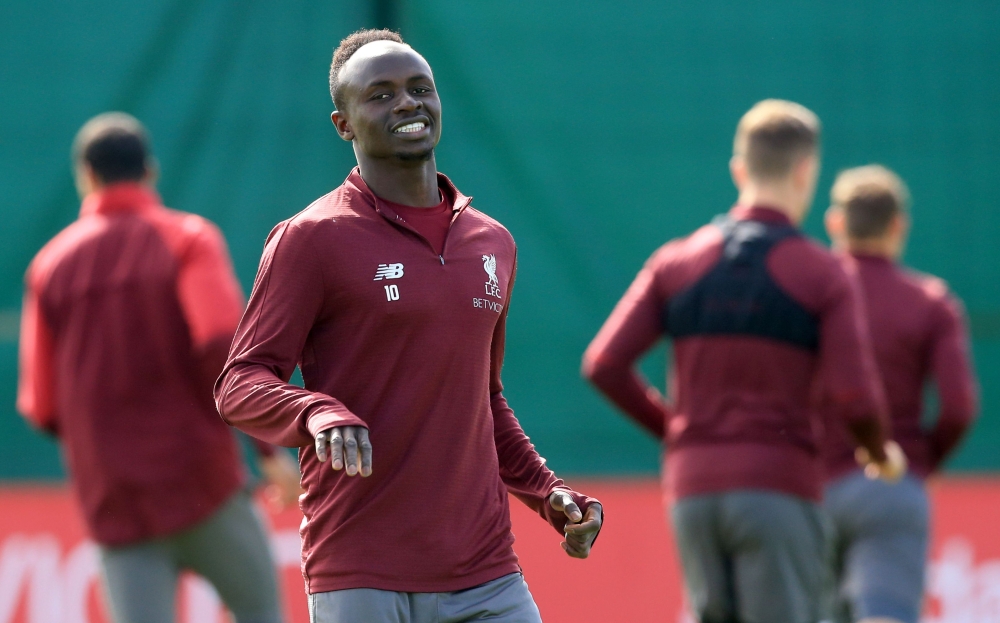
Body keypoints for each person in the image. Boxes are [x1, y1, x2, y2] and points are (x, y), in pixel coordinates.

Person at [213, 29, 603, 623]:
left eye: (421, 88)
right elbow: (238, 383)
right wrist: (317, 411)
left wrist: (547, 493)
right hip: (362, 572)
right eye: (381, 94)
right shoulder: (312, 238)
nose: (407, 103)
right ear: (343, 124)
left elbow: (484, 398)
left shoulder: (492, 242)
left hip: (487, 570)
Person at [582, 99, 904, 623]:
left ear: (739, 169)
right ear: (805, 171)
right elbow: (855, 395)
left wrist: (679, 430)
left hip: (692, 491)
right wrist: (879, 451)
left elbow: (604, 364)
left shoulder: (675, 261)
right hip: (779, 490)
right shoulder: (823, 274)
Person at [17, 112, 299, 623]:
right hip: (201, 483)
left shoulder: (49, 266)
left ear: (86, 176)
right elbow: (218, 343)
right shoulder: (188, 239)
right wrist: (266, 445)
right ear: (150, 172)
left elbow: (41, 404)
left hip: (116, 503)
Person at [821, 165, 978, 623]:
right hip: (892, 481)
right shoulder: (930, 302)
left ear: (835, 223)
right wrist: (922, 460)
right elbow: (959, 407)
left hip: (810, 487)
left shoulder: (809, 295)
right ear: (898, 226)